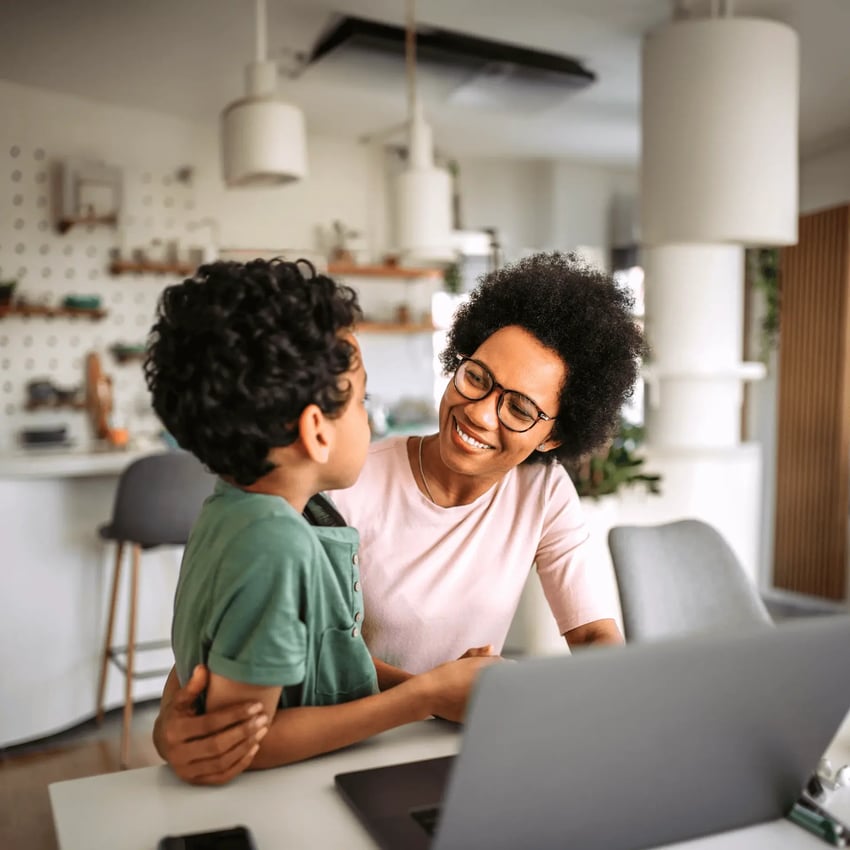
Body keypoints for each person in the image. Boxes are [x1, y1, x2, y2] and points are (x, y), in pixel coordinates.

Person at [154, 251, 644, 784]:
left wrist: (611, 715)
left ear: (553, 435)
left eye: (520, 409)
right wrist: (435, 694)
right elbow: (251, 644)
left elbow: (595, 639)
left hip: (450, 751)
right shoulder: (330, 486)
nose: (481, 412)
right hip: (337, 753)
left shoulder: (543, 491)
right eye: (476, 377)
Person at [145, 257, 496, 778]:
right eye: (361, 401)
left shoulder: (240, 510)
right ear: (316, 431)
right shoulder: (273, 545)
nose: (369, 419)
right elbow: (246, 744)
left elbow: (328, 660)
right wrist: (421, 698)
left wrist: (438, 687)